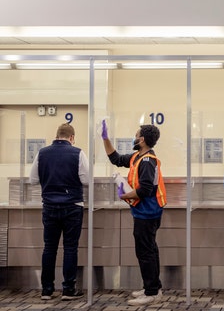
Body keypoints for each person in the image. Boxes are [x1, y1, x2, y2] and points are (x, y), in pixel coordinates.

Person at [101, 120, 167, 306]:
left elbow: (145, 189)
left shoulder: (147, 161)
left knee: (145, 252)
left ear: (143, 139)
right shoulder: (137, 157)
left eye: (137, 135)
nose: (134, 137)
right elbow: (115, 158)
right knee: (149, 250)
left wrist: (125, 195)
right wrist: (105, 138)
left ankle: (152, 292)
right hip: (144, 212)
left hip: (148, 213)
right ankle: (152, 287)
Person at [30, 123, 89, 301]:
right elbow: (86, 180)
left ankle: (47, 290)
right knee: (70, 248)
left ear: (57, 135)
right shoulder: (78, 153)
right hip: (72, 206)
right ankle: (68, 289)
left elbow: (33, 179)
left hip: (49, 206)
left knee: (49, 248)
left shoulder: (42, 153)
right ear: (72, 138)